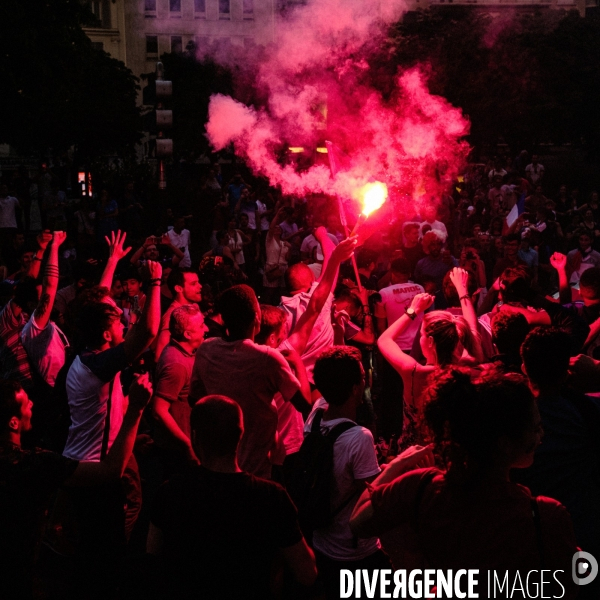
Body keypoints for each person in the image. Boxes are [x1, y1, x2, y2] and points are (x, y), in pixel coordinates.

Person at [349, 369, 577, 600]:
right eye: (535, 428)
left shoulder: (422, 487)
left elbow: (358, 521)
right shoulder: (543, 516)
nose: (541, 436)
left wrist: (399, 462)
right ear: (505, 444)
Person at [147, 395, 317, 600]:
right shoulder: (272, 497)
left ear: (194, 436)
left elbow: (152, 558)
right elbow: (307, 573)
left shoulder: (170, 492)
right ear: (241, 434)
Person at [0, 374, 152, 600]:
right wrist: (136, 408)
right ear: (13, 422)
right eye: (26, 401)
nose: (32, 403)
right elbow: (111, 471)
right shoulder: (32, 465)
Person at [188, 284, 310, 478]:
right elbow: (304, 404)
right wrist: (298, 364)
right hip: (256, 469)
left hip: (215, 464)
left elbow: (195, 399)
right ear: (257, 317)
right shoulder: (267, 358)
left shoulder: (206, 350)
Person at [517, 327, 600, 598]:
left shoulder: (513, 415)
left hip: (531, 536)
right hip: (585, 526)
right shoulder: (586, 409)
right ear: (568, 369)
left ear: (524, 367)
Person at [304, 347, 388, 600]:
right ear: (354, 388)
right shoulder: (359, 437)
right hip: (354, 551)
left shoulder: (316, 415)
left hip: (321, 543)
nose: (365, 381)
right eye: (362, 377)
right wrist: (401, 464)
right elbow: (376, 493)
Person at [377, 269, 482, 447]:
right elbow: (472, 329)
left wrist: (413, 310)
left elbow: (384, 339)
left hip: (418, 455)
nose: (420, 338)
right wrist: (462, 291)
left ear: (431, 342)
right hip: (455, 451)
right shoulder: (468, 366)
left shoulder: (415, 373)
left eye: (422, 334)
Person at [152, 305, 208, 472]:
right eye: (200, 326)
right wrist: (187, 446)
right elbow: (159, 410)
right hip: (177, 452)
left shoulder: (185, 353)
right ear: (187, 334)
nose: (205, 328)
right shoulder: (176, 364)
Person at [21, 231, 69, 387]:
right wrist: (54, 247)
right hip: (53, 393)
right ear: (30, 305)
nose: (46, 297)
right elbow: (50, 286)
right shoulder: (34, 328)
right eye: (41, 296)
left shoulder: (48, 324)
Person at [153, 267, 202, 361]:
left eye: (198, 282)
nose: (200, 286)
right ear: (179, 288)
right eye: (193, 284)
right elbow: (159, 355)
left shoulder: (192, 307)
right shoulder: (172, 315)